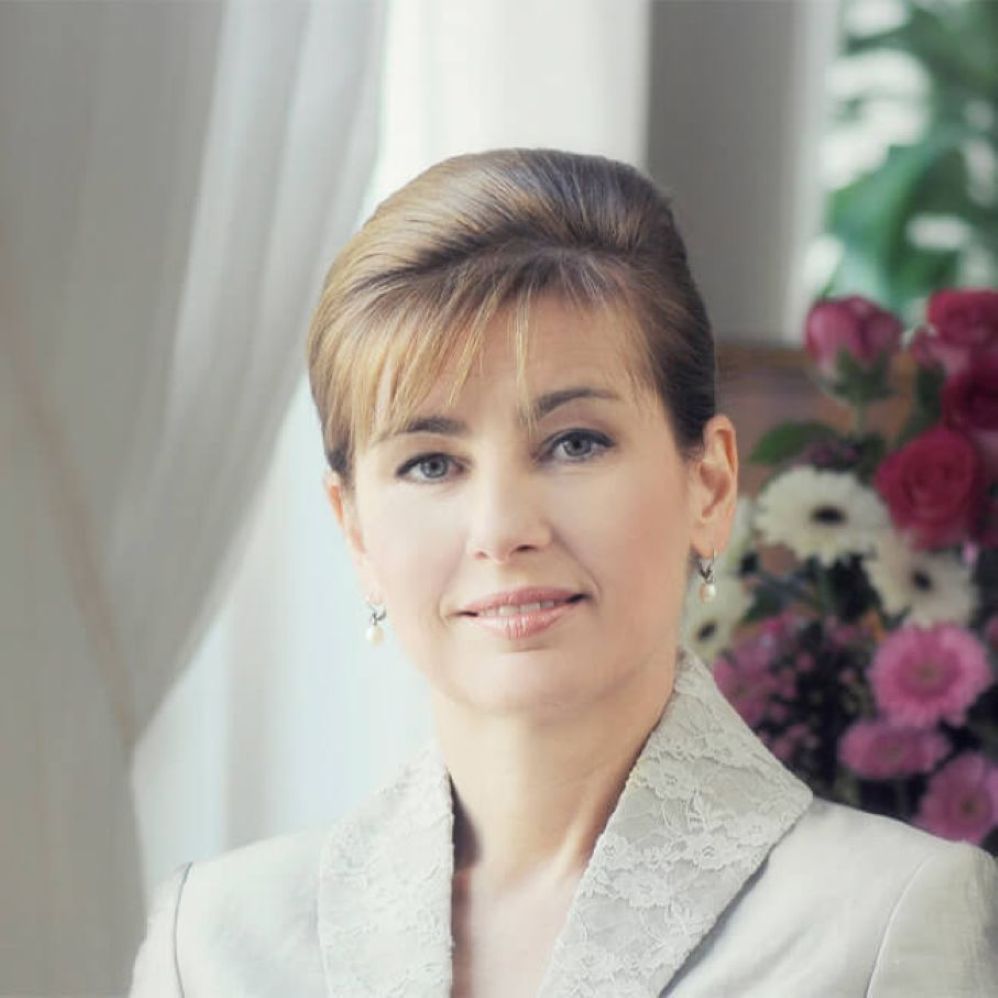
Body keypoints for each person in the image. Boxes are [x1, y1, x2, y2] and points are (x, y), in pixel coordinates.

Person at [130, 149, 998, 996]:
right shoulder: (210, 942)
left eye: (574, 443)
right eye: (431, 463)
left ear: (709, 484)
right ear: (354, 530)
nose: (503, 530)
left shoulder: (886, 922)